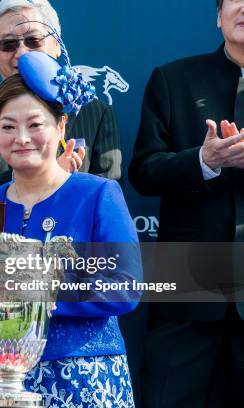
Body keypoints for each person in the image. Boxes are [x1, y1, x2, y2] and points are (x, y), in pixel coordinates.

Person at [0, 1, 123, 404]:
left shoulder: (98, 194)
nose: (22, 138)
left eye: (35, 125)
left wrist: (31, 295)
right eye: (8, 127)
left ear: (60, 127)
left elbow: (122, 287)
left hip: (86, 378)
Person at [128, 0, 244, 406]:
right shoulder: (174, 79)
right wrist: (204, 161)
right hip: (188, 291)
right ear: (218, 15)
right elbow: (143, 171)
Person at [0, 0, 121, 201]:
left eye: (33, 41)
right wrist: (27, 176)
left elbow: (108, 197)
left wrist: (57, 179)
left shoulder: (95, 113)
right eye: (8, 44)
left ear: (57, 45)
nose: (22, 54)